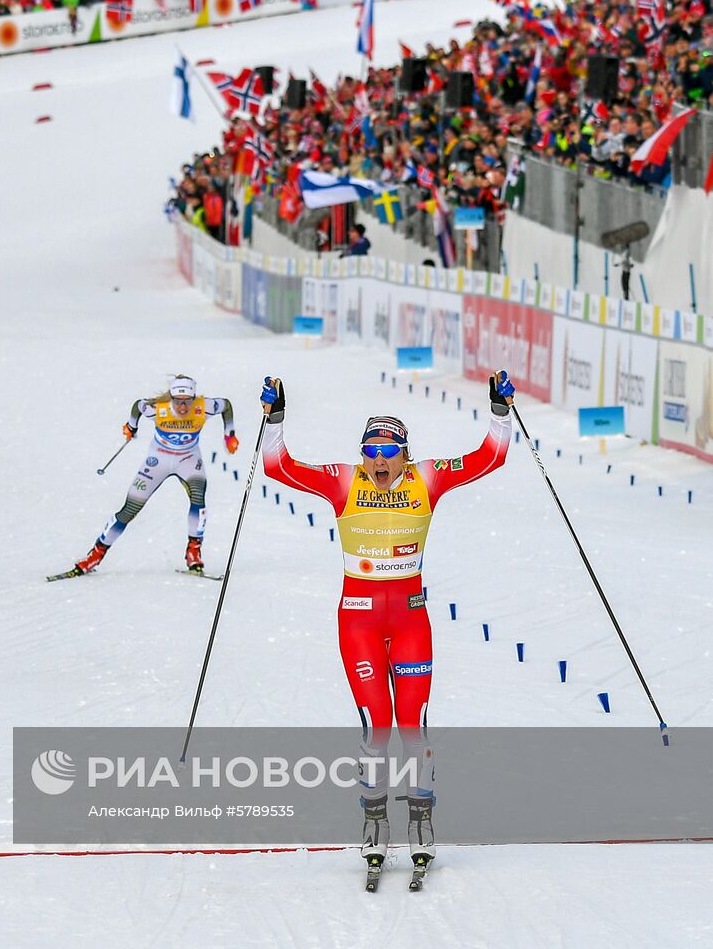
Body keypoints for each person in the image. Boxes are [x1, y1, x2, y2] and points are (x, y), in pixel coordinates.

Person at [258, 369, 515, 877]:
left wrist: (500, 412)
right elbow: (276, 467)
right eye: (369, 451)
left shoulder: (428, 476)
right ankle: (374, 823)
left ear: (404, 453)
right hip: (359, 622)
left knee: (413, 728)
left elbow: (491, 456)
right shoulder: (344, 479)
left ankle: (421, 822)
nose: (377, 461)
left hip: (411, 620)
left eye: (387, 451)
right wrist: (275, 419)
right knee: (378, 729)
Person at [65, 375, 236, 576]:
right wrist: (131, 426)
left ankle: (193, 552)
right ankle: (94, 555)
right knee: (129, 510)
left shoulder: (205, 406)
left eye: (188, 401)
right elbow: (138, 406)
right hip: (158, 460)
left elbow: (227, 406)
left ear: (194, 398)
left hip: (188, 459)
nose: (182, 407)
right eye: (178, 401)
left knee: (198, 499)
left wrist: (229, 434)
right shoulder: (158, 409)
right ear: (170, 398)